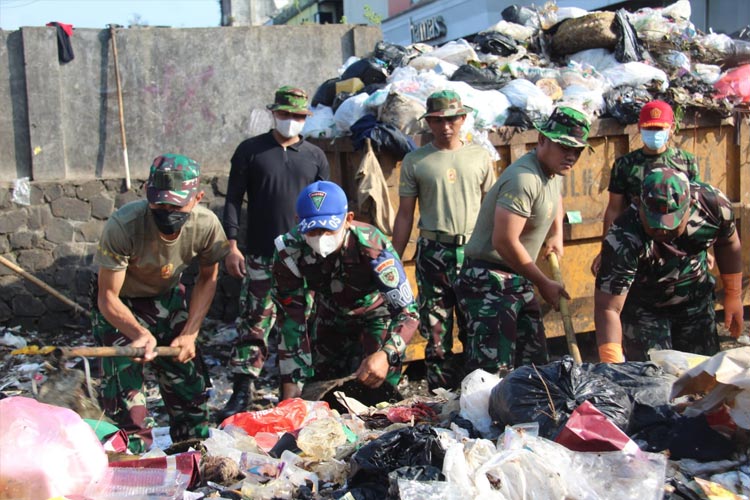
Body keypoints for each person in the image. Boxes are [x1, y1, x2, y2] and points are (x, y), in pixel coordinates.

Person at [92, 154, 229, 451]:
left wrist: (190, 332)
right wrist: (139, 334)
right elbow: (107, 297)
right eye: (159, 203)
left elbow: (208, 278)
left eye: (176, 205)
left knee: (189, 386)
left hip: (168, 300)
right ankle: (133, 464)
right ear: (147, 193)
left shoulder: (206, 226)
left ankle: (193, 453)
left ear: (198, 198)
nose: (167, 211)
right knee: (127, 404)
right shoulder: (124, 225)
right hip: (121, 307)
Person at [454, 106, 591, 376]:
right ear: (542, 140)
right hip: (488, 281)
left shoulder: (553, 170)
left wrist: (555, 234)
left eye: (577, 150)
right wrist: (543, 282)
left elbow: (555, 197)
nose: (571, 156)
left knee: (534, 368)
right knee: (491, 375)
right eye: (564, 147)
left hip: (517, 278)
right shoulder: (523, 179)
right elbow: (504, 241)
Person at [220, 86, 329, 419]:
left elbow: (327, 207)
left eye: (298, 116)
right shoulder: (251, 151)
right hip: (260, 254)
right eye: (285, 115)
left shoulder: (315, 156)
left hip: (300, 257)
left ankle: (291, 395)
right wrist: (232, 245)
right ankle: (243, 389)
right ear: (274, 114)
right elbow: (233, 200)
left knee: (297, 322)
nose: (291, 121)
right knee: (254, 320)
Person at [272, 181, 419, 400]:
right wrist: (291, 380)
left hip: (375, 314)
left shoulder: (372, 245)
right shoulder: (289, 250)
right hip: (329, 314)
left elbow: (408, 313)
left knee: (378, 391)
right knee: (318, 391)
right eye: (313, 230)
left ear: (348, 219)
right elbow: (291, 318)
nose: (320, 237)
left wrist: (387, 354)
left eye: (328, 229)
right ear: (298, 222)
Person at [391, 89, 495, 390]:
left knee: (476, 328)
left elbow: (492, 208)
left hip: (475, 251)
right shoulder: (416, 160)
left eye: (451, 119)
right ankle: (440, 400)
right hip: (433, 253)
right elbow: (405, 215)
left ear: (463, 119)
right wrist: (394, 258)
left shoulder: (479, 156)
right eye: (437, 120)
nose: (445, 126)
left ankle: (479, 394)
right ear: (429, 123)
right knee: (436, 334)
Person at [595, 167, 743, 363]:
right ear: (639, 204)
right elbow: (608, 308)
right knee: (652, 380)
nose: (663, 230)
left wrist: (733, 294)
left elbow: (728, 242)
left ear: (689, 206)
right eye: (655, 222)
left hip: (695, 303)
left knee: (703, 376)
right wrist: (611, 360)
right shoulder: (623, 237)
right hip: (646, 310)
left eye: (671, 222)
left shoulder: (713, 205)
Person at [591, 99, 701, 275]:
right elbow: (614, 209)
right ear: (639, 127)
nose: (654, 133)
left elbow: (696, 207)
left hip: (678, 244)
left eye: (659, 129)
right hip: (638, 241)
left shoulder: (686, 162)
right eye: (649, 128)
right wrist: (606, 250)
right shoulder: (625, 165)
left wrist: (702, 247)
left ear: (671, 128)